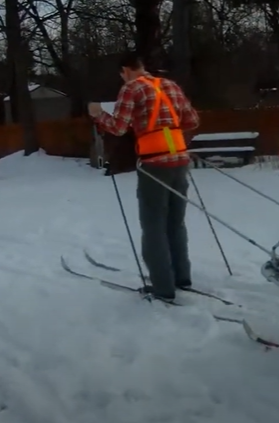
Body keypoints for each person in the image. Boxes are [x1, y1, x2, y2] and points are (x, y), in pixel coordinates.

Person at [87, 52, 200, 302]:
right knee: (175, 222)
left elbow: (118, 127)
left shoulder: (131, 88)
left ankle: (163, 287)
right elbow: (192, 120)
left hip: (154, 163)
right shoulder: (169, 85)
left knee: (153, 226)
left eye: (121, 74)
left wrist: (98, 114)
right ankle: (182, 276)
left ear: (126, 71)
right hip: (180, 160)